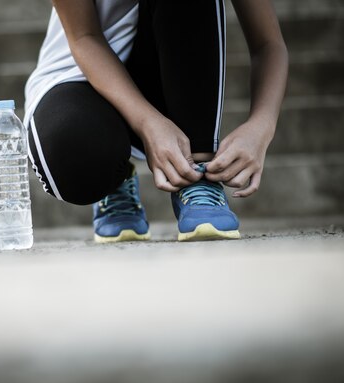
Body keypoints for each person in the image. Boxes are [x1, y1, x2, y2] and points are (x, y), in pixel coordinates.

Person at [24, 0, 288, 242]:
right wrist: (147, 122)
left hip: (169, 70)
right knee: (69, 152)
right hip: (81, 74)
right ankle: (114, 181)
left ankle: (198, 175)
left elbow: (268, 44)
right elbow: (84, 37)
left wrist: (261, 127)